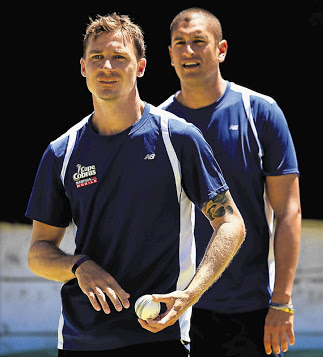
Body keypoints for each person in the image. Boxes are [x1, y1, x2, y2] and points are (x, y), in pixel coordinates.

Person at [25, 13, 245, 355]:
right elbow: (39, 252)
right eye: (97, 57)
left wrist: (191, 293)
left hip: (160, 336)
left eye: (120, 57)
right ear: (83, 67)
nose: (107, 66)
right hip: (81, 341)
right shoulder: (61, 152)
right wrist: (80, 266)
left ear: (140, 67)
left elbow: (231, 223)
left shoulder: (178, 138)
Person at [159, 8, 301, 356]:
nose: (189, 51)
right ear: (170, 54)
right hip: (176, 307)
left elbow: (288, 213)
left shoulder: (261, 112)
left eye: (198, 42)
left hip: (252, 308)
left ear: (221, 49)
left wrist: (281, 302)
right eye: (180, 43)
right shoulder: (157, 124)